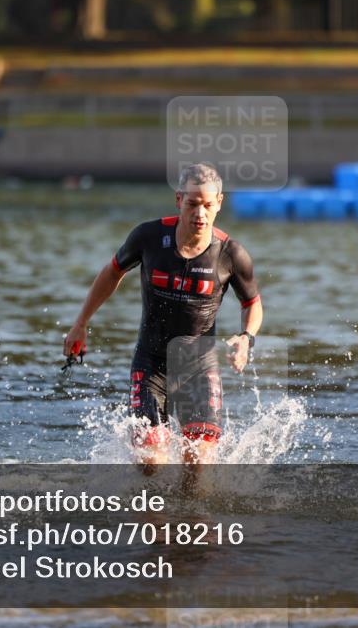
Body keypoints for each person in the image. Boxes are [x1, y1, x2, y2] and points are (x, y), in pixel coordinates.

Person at [63, 163, 263, 468]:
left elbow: (252, 303)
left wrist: (247, 338)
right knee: (150, 463)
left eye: (208, 206)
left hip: (198, 367)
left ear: (219, 203)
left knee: (197, 465)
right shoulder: (149, 237)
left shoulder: (231, 254)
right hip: (151, 361)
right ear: (178, 199)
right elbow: (111, 273)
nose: (200, 214)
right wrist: (80, 324)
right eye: (193, 204)